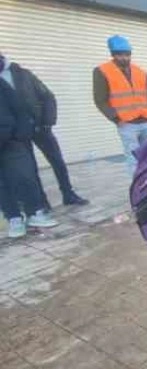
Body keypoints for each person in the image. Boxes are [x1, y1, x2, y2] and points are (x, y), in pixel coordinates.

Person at [3, 56, 89, 207]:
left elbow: (48, 96)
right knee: (30, 169)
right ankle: (41, 202)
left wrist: (48, 121)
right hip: (17, 133)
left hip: (40, 126)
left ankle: (68, 194)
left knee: (57, 161)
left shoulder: (23, 74)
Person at [1, 54, 59, 238]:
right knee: (2, 184)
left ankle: (35, 212)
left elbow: (19, 107)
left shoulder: (6, 83)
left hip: (11, 140)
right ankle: (13, 218)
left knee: (26, 176)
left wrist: (20, 132)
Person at [93, 35, 147, 175]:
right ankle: (140, 187)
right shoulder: (102, 71)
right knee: (134, 159)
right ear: (113, 54)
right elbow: (100, 100)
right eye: (120, 55)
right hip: (127, 124)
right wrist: (116, 119)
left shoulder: (140, 72)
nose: (124, 58)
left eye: (127, 54)